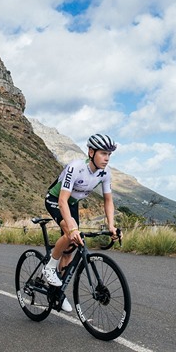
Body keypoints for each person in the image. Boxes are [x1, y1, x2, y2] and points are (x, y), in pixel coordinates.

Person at [42, 134, 119, 312]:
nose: (107, 158)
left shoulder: (105, 173)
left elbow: (108, 200)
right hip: (55, 199)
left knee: (70, 250)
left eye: (109, 154)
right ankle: (50, 267)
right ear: (91, 152)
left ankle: (57, 293)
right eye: (103, 153)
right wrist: (73, 228)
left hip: (73, 203)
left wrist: (111, 226)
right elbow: (62, 201)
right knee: (70, 233)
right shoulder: (76, 168)